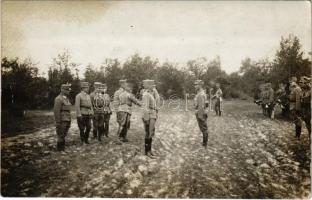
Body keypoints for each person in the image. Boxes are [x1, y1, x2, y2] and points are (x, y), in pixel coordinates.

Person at [53, 84, 72, 151]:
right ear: (62, 90)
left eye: (69, 90)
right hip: (62, 119)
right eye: (67, 90)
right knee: (61, 134)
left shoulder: (66, 98)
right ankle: (60, 149)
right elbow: (56, 111)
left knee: (64, 133)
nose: (69, 91)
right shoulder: (58, 99)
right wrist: (58, 121)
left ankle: (62, 148)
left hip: (67, 118)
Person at [142, 80, 158, 158]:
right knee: (148, 133)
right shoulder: (146, 94)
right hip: (149, 115)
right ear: (148, 86)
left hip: (153, 114)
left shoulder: (150, 93)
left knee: (151, 133)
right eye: (152, 85)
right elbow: (145, 108)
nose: (153, 86)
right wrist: (147, 119)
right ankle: (147, 151)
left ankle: (149, 150)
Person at [194, 80, 209, 148]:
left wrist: (200, 116)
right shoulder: (201, 93)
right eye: (195, 84)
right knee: (203, 128)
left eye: (196, 84)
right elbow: (206, 104)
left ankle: (204, 144)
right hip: (202, 112)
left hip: (201, 113)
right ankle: (204, 143)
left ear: (200, 85)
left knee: (204, 129)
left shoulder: (201, 94)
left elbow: (202, 106)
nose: (195, 86)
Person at [298, 76, 311, 141]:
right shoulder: (302, 91)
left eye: (302, 82)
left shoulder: (310, 91)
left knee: (309, 124)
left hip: (309, 110)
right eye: (300, 82)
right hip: (304, 110)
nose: (301, 84)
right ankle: (310, 136)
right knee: (307, 124)